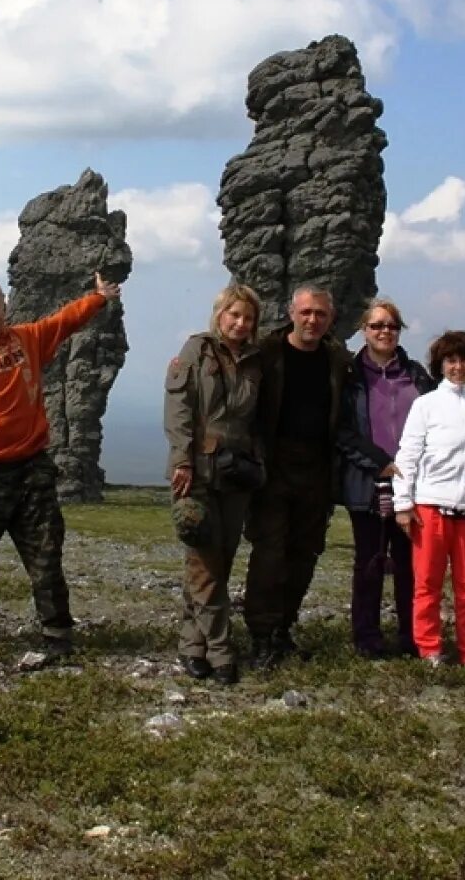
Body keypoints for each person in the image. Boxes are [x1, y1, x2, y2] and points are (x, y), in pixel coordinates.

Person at [0, 271, 123, 656]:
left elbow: (64, 321)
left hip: (32, 469)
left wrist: (98, 298)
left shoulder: (26, 338)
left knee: (46, 555)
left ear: (5, 308)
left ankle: (56, 633)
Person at [164, 282, 266, 685]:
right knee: (203, 562)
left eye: (247, 318)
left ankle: (191, 644)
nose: (240, 324)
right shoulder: (197, 350)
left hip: (237, 474)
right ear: (219, 315)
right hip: (197, 473)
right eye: (233, 315)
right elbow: (179, 409)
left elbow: (257, 420)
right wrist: (182, 461)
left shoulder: (258, 361)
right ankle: (222, 651)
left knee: (219, 561)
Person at [246, 285, 351, 669]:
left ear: (330, 319)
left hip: (318, 470)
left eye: (320, 314)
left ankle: (282, 630)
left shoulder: (338, 360)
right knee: (269, 554)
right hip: (273, 468)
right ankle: (261, 635)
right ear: (291, 312)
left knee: (304, 554)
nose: (312, 320)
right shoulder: (266, 353)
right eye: (306, 312)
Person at [392, 330, 465, 671]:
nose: (458, 366)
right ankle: (429, 650)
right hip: (430, 509)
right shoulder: (426, 404)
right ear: (440, 365)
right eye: (451, 360)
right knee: (427, 585)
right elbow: (408, 454)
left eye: (464, 360)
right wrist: (403, 504)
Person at [336, 297, 434, 660]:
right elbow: (342, 430)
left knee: (411, 564)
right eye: (377, 325)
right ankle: (367, 637)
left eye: (391, 326)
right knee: (370, 562)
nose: (384, 332)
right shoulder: (349, 376)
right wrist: (378, 462)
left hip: (413, 484)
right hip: (367, 482)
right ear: (364, 330)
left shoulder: (417, 374)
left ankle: (412, 636)